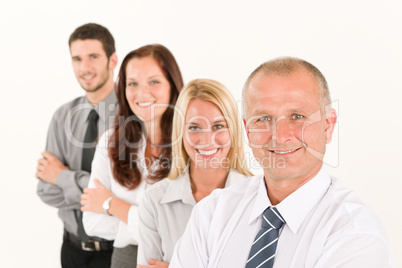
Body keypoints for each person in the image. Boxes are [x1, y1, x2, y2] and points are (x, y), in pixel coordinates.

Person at [170, 57, 395, 267]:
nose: (279, 135)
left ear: (328, 125)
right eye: (264, 119)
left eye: (297, 116)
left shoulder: (356, 236)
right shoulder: (212, 214)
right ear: (248, 130)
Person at [80, 44, 184, 268]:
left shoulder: (192, 143)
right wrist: (151, 227)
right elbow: (91, 222)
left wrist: (112, 205)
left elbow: (192, 226)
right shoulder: (110, 142)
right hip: (124, 259)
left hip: (175, 261)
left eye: (154, 81)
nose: (142, 93)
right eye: (132, 83)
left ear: (172, 86)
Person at [136, 79, 253, 267]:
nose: (206, 140)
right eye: (194, 128)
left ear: (234, 131)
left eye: (218, 126)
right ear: (180, 133)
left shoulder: (259, 196)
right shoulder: (155, 200)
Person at [36, 23, 118, 267]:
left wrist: (62, 177)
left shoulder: (132, 118)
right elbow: (45, 190)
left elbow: (127, 196)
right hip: (72, 251)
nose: (85, 68)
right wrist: (103, 199)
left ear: (112, 60)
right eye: (77, 59)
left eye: (93, 57)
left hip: (119, 252)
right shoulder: (62, 117)